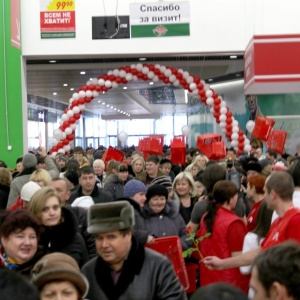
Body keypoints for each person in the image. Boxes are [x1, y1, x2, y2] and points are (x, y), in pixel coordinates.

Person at [81, 201, 187, 300]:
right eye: (99, 238)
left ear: (128, 235)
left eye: (111, 237)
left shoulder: (158, 267)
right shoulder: (89, 271)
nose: (104, 245)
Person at [203, 171, 300, 270]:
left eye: (265, 191)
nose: (264, 196)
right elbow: (260, 251)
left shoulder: (295, 220)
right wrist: (222, 263)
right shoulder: (278, 221)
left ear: (273, 194)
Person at [197, 180, 249, 293]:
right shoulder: (233, 223)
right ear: (229, 199)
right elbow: (238, 256)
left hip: (209, 276)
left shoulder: (206, 216)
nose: (237, 198)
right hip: (229, 281)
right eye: (236, 195)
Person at [28, 186, 89, 267]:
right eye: (45, 209)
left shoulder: (75, 238)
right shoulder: (29, 240)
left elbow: (86, 272)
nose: (52, 213)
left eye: (55, 208)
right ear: (36, 211)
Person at [187, 163, 245, 233]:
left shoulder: (200, 206)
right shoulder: (237, 202)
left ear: (205, 181)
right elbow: (244, 226)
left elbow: (189, 232)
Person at [50, 178, 97, 259]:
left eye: (58, 190)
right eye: (50, 191)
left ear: (67, 195)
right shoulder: (42, 217)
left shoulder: (80, 215)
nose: (53, 194)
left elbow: (93, 249)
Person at [142, 184, 191, 250]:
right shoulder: (142, 217)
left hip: (174, 256)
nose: (159, 202)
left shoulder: (174, 214)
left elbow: (186, 234)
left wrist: (178, 245)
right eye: (155, 199)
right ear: (148, 200)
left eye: (162, 199)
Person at [0, 209, 43, 276]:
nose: (27, 243)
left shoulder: (44, 268)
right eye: (20, 236)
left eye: (32, 237)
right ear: (4, 240)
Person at [123, 179, 153, 245]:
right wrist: (144, 237)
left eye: (145, 195)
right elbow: (123, 233)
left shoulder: (140, 211)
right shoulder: (126, 212)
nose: (145, 198)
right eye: (141, 194)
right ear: (131, 195)